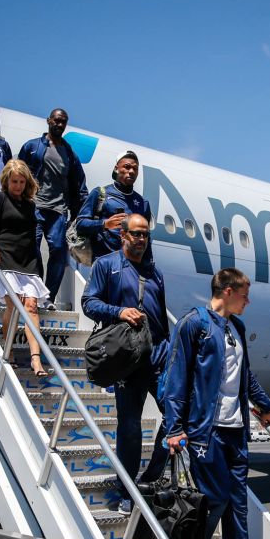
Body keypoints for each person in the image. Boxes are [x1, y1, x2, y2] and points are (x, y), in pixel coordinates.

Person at [162, 268, 270, 539]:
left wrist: (264, 402)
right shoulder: (193, 324)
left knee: (237, 507)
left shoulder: (237, 328)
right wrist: (174, 428)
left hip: (236, 432)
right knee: (215, 500)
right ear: (227, 291)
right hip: (204, 432)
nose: (248, 300)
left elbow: (244, 374)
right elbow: (176, 378)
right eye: (244, 294)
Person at [80, 214, 169, 512]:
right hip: (128, 358)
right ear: (123, 235)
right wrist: (119, 312)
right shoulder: (106, 265)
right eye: (136, 234)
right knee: (129, 428)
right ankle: (128, 492)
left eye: (145, 235)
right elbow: (89, 303)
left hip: (158, 354)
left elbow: (161, 319)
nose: (141, 239)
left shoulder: (155, 273)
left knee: (179, 416)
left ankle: (151, 478)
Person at [0, 160, 48, 379]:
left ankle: (35, 357)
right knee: (15, 302)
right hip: (6, 256)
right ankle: (8, 346)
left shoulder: (30, 205)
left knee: (31, 306)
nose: (18, 186)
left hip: (27, 260)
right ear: (6, 181)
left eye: (21, 181)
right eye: (14, 181)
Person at [19, 109, 89, 308]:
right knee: (32, 247)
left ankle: (49, 297)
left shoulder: (69, 154)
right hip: (35, 206)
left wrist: (79, 216)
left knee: (58, 251)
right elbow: (17, 172)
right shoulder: (32, 146)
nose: (60, 124)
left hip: (58, 210)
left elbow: (80, 186)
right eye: (57, 120)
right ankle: (39, 290)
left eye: (63, 122)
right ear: (49, 121)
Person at [74, 150, 153, 261]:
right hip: (103, 262)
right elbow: (81, 224)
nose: (131, 171)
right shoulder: (100, 193)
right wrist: (105, 224)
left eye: (135, 168)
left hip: (131, 266)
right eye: (127, 167)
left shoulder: (143, 203)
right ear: (116, 168)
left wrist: (149, 267)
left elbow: (147, 240)